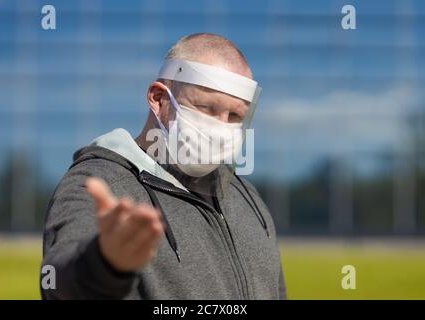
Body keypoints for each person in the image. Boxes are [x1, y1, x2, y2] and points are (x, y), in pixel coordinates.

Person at [41, 33, 287, 299]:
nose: (222, 127)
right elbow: (59, 281)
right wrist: (104, 263)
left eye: (235, 115)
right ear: (159, 99)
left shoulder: (246, 197)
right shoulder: (100, 184)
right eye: (206, 107)